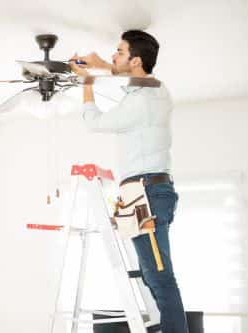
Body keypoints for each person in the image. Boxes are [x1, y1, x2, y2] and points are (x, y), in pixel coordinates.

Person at [70, 30, 189, 333]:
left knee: (160, 276)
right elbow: (138, 78)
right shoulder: (154, 92)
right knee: (152, 276)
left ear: (135, 60)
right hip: (144, 192)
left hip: (145, 193)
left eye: (119, 52)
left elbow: (92, 121)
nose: (113, 55)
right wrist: (103, 66)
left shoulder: (141, 103)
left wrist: (87, 83)